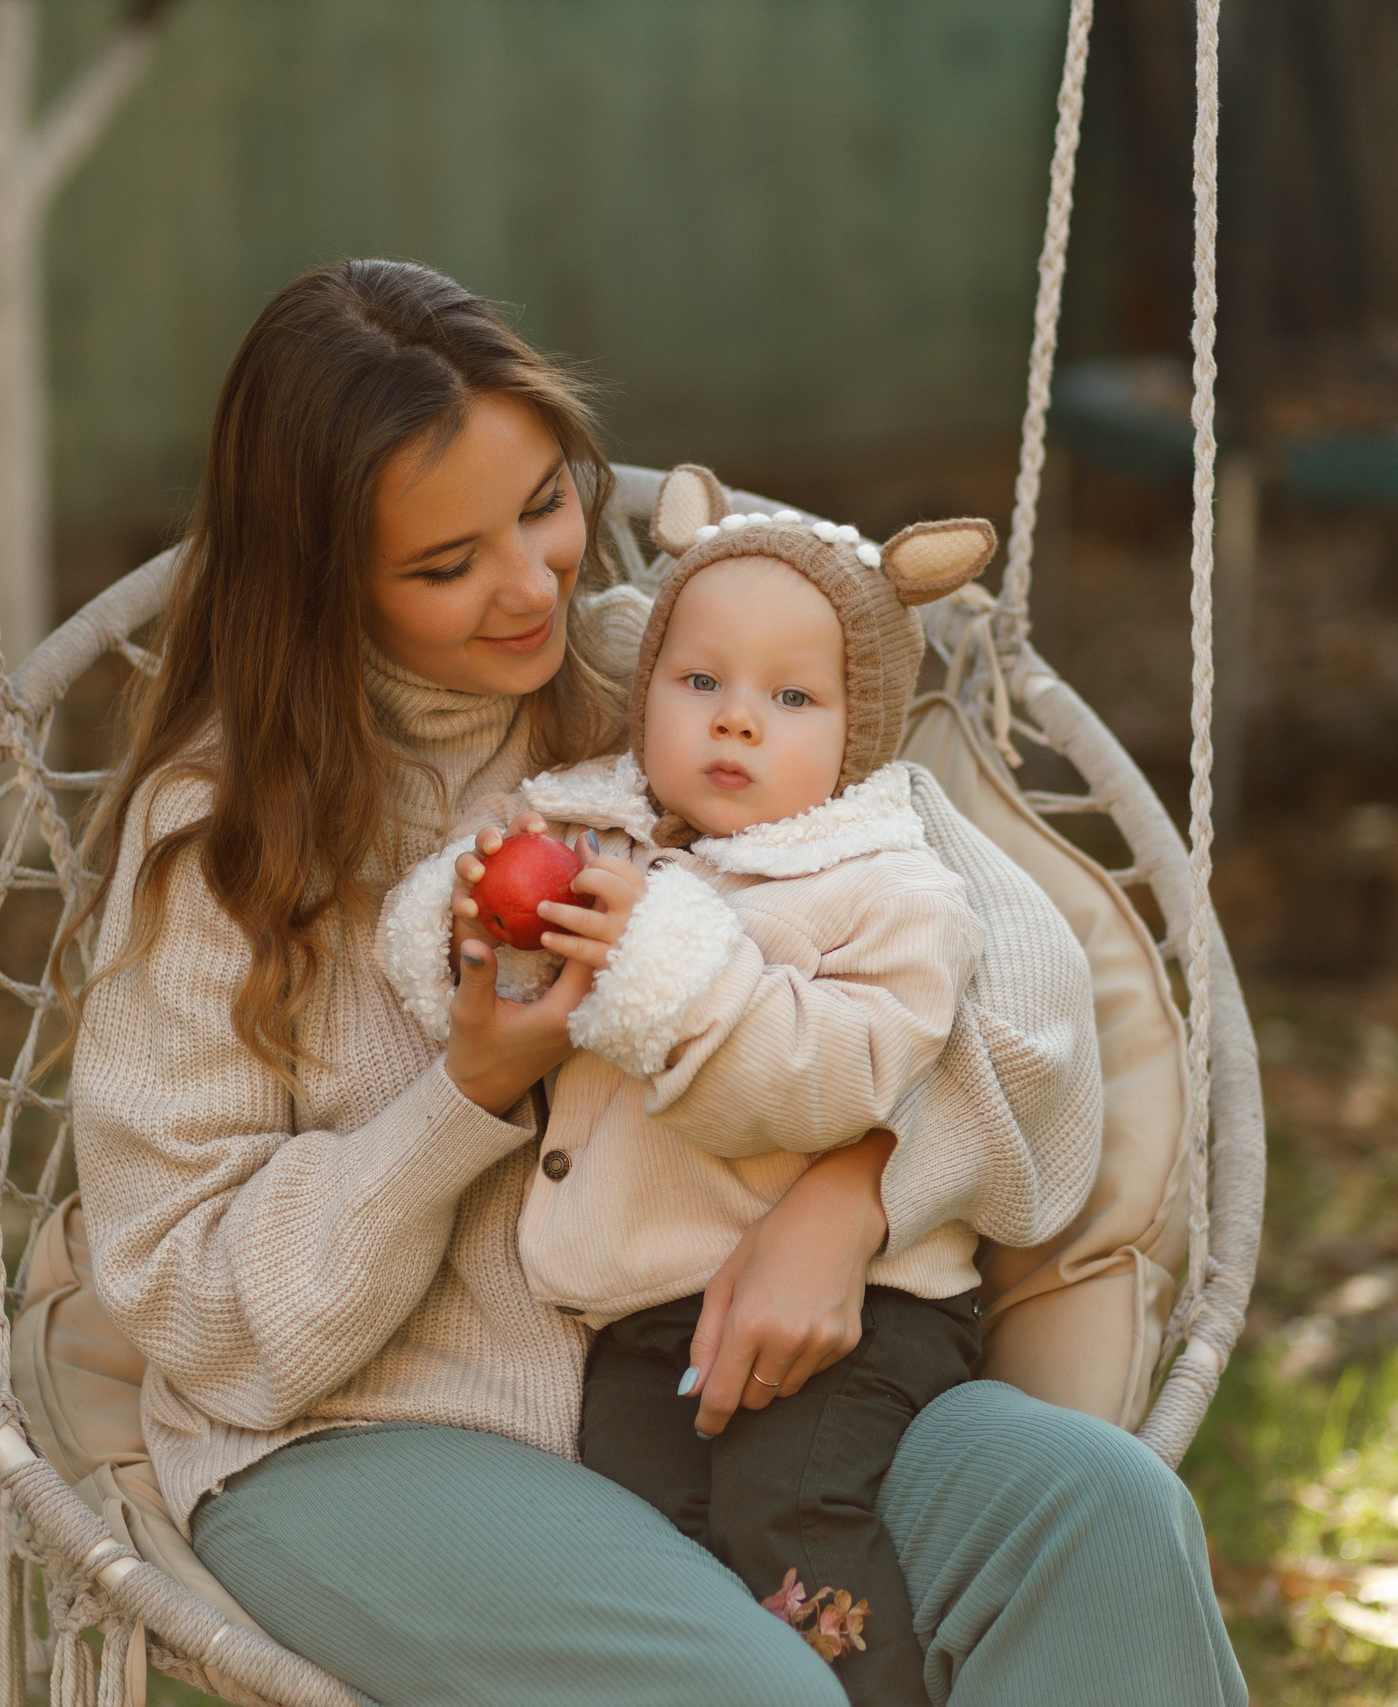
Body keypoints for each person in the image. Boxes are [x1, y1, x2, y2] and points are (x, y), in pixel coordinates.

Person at [68, 258, 1247, 1707]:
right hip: (363, 1436)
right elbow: (197, 1306)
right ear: (319, 579)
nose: (532, 584)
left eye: (546, 503)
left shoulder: (698, 686)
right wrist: (472, 1088)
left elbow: (1036, 1030)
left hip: (770, 1404)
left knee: (1104, 1519)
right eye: (445, 566)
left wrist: (856, 1192)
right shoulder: (222, 838)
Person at [378, 464, 1028, 1705]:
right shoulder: (586, 830)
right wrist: (469, 927)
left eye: (791, 696)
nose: (737, 721)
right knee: (643, 1540)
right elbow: (462, 977)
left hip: (860, 1314)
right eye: (700, 682)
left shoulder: (885, 888)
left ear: (860, 728)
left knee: (788, 1515)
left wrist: (657, 957)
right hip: (640, 1319)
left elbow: (836, 1076)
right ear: (646, 693)